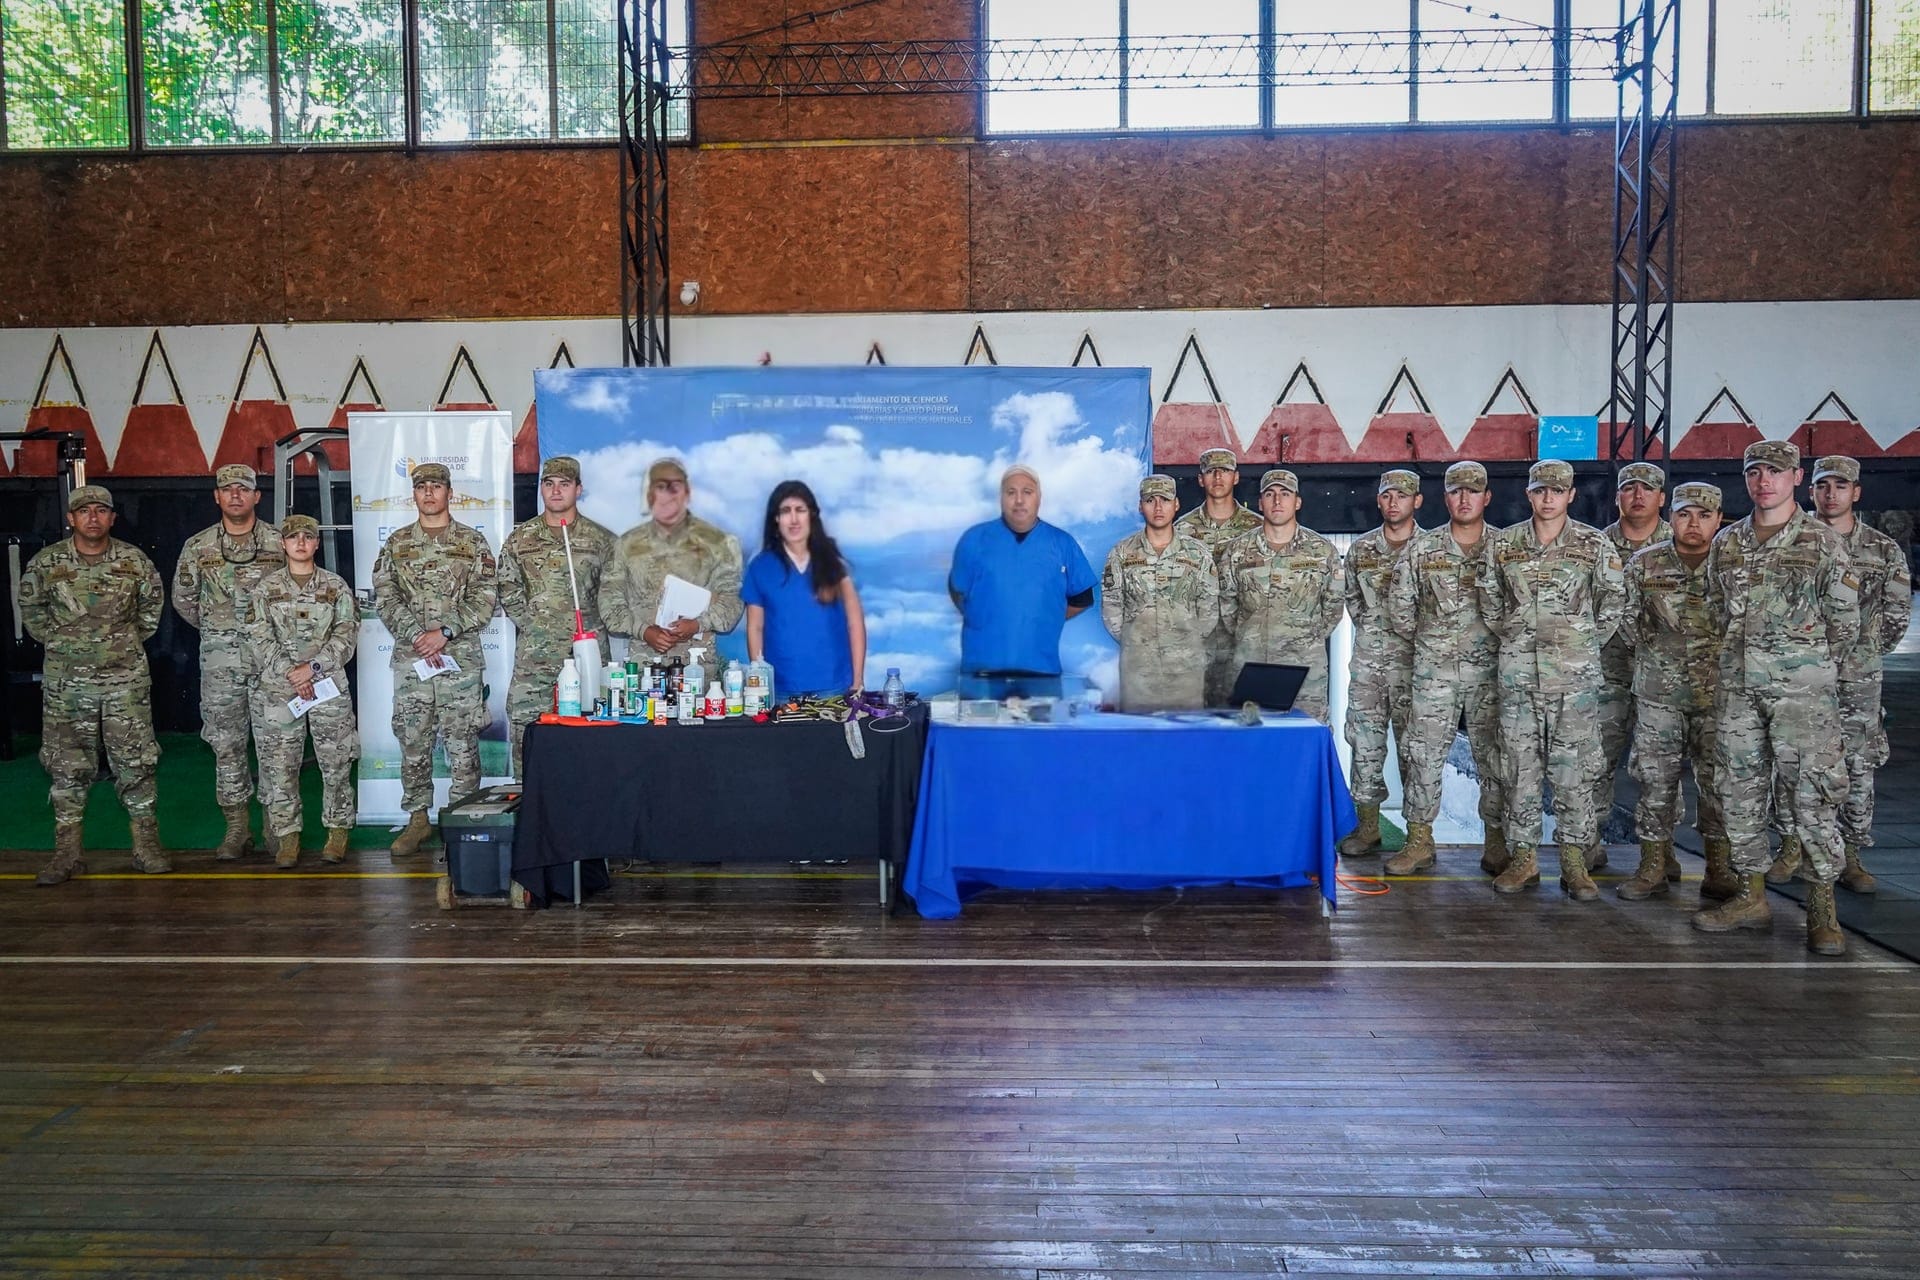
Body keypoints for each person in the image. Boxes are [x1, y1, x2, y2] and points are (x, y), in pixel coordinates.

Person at [1694, 441, 1857, 955]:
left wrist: (1800, 663)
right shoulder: (1729, 543)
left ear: (1796, 476)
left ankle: (1821, 910)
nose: (1764, 480)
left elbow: (1845, 624)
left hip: (1801, 694)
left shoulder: (1822, 542)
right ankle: (1750, 896)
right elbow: (1716, 610)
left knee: (1812, 795)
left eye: (1775, 472)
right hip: (1738, 689)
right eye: (1755, 471)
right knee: (1737, 791)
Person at [1478, 459, 1625, 899]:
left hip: (1573, 680)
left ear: (1571, 495)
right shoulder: (1504, 545)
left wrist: (1579, 643)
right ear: (1528, 494)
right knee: (1518, 770)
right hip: (1519, 677)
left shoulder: (1593, 545)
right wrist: (1515, 635)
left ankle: (1574, 864)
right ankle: (1523, 860)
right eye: (1540, 490)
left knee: (1574, 773)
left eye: (1557, 491)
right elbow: (1489, 600)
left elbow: (1613, 602)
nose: (1548, 498)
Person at [1765, 455, 1910, 895]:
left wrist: (1855, 653)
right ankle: (1791, 846)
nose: (1831, 494)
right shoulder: (1787, 543)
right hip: (1796, 675)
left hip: (1856, 679)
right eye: (1824, 486)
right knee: (1788, 763)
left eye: (1841, 486)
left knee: (1857, 765)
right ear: (1810, 489)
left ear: (1856, 492)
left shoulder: (1883, 550)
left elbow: (1896, 614)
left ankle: (1851, 853)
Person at [21, 485, 168, 884]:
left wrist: (121, 643)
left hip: (125, 680)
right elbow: (31, 611)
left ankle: (146, 847)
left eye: (101, 511)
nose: (92, 518)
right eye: (84, 511)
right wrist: (63, 642)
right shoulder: (47, 563)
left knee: (136, 762)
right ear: (71, 518)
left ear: (112, 518)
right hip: (67, 683)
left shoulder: (133, 561)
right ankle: (67, 854)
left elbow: (151, 610)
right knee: (67, 766)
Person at [1382, 461, 1505, 877]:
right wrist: (1432, 642)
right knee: (1423, 755)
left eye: (1473, 491)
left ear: (1487, 497)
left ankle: (1497, 841)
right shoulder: (1422, 550)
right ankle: (1419, 841)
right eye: (1456, 491)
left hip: (1490, 671)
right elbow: (1400, 609)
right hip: (1434, 672)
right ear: (1446, 497)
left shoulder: (1507, 549)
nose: (1465, 498)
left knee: (1496, 757)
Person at [370, 463, 499, 857]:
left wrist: (444, 632)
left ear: (450, 493)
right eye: (422, 487)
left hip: (459, 659)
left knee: (462, 742)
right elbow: (385, 596)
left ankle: (464, 819)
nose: (429, 493)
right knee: (413, 739)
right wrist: (416, 636)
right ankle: (418, 820)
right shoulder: (396, 544)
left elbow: (486, 597)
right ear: (414, 495)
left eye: (436, 486)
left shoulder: (472, 544)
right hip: (413, 662)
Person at [1619, 483, 1729, 901]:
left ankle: (1719, 867)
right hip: (1659, 694)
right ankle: (1653, 864)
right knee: (1654, 781)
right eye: (1685, 514)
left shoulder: (1732, 566)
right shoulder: (1645, 564)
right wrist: (1657, 654)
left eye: (1703, 515)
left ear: (1719, 519)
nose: (1694, 523)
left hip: (1719, 696)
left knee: (1718, 784)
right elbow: (1625, 619)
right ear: (1673, 518)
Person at [171, 463, 285, 861]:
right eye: (227, 489)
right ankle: (237, 827)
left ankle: (276, 824)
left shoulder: (279, 542)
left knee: (275, 744)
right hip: (221, 664)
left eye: (243, 488)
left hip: (272, 660)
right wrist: (223, 632)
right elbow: (184, 601)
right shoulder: (198, 546)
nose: (235, 495)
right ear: (217, 497)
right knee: (226, 744)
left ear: (257, 496)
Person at [244, 515, 359, 868]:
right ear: (282, 543)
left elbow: (347, 634)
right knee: (280, 765)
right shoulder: (265, 589)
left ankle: (337, 833)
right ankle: (287, 838)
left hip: (328, 687)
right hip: (279, 690)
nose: (300, 543)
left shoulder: (335, 587)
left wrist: (312, 668)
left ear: (316, 543)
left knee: (336, 762)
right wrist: (291, 672)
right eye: (293, 537)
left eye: (307, 537)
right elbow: (258, 636)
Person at [497, 456, 616, 777]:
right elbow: (507, 587)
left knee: (591, 738)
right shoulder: (521, 540)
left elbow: (615, 593)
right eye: (548, 484)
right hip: (536, 660)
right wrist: (535, 624)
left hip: (587, 656)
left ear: (579, 489)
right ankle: (529, 813)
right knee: (528, 737)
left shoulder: (601, 540)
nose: (556, 491)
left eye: (564, 484)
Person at [947, 464, 1097, 688]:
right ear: (1001, 498)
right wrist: (988, 616)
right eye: (1011, 492)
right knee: (978, 723)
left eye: (1027, 492)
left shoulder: (1062, 543)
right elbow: (957, 590)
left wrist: (1043, 616)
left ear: (1039, 497)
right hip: (981, 676)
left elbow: (1082, 599)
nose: (1019, 500)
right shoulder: (974, 540)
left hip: (1041, 674)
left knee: (1041, 723)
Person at [1215, 468, 1344, 722]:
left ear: (1297, 502)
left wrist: (1301, 638)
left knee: (1305, 744)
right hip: (1250, 669)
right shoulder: (1237, 552)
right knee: (1251, 748)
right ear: (1260, 503)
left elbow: (1334, 607)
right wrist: (1251, 634)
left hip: (1305, 673)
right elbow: (1226, 606)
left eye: (1285, 494)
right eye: (1270, 494)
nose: (1277, 501)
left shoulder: (1322, 551)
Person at [1589, 462, 1671, 858]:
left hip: (1665, 678)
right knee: (1594, 761)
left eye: (1646, 489)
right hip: (1607, 674)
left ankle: (1661, 852)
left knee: (1660, 768)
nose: (1637, 496)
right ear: (1617, 496)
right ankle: (1588, 843)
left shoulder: (1685, 542)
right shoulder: (1593, 546)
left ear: (1661, 497)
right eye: (1629, 488)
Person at [1338, 469, 1422, 859]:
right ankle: (1368, 827)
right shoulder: (1362, 550)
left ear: (1416, 501)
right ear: (1379, 501)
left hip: (1417, 666)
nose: (1394, 503)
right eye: (1387, 496)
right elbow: (1352, 599)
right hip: (1370, 663)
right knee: (1365, 745)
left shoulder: (1431, 548)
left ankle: (1419, 836)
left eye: (1402, 496)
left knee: (1417, 750)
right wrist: (1374, 629)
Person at [604, 457, 743, 667]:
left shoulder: (718, 543)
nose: (668, 496)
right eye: (661, 487)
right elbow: (609, 603)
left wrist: (697, 624)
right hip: (643, 670)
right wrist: (645, 631)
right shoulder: (626, 545)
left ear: (687, 493)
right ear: (650, 495)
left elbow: (733, 601)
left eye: (675, 488)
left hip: (697, 670)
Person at [1100, 474, 1219, 712]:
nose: (1158, 507)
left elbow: (1209, 609)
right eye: (1150, 500)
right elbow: (1112, 606)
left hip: (1186, 670)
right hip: (1139, 672)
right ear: (1140, 506)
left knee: (1187, 739)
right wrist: (1137, 641)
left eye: (1164, 500)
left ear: (1176, 504)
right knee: (1139, 740)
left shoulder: (1198, 554)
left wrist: (1183, 642)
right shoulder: (1121, 553)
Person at [743, 481, 866, 696]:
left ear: (811, 515)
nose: (793, 519)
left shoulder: (835, 565)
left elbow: (855, 623)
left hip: (835, 687)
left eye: (800, 510)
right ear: (776, 519)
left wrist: (857, 681)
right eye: (785, 511)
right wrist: (760, 685)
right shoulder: (760, 568)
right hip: (781, 691)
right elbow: (755, 628)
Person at [1176, 447, 1263, 706]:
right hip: (1196, 642)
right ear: (1200, 479)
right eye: (1210, 471)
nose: (1217, 477)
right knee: (1194, 718)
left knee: (1242, 717)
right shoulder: (1181, 529)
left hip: (1242, 641)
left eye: (1224, 471)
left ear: (1235, 477)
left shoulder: (1258, 527)